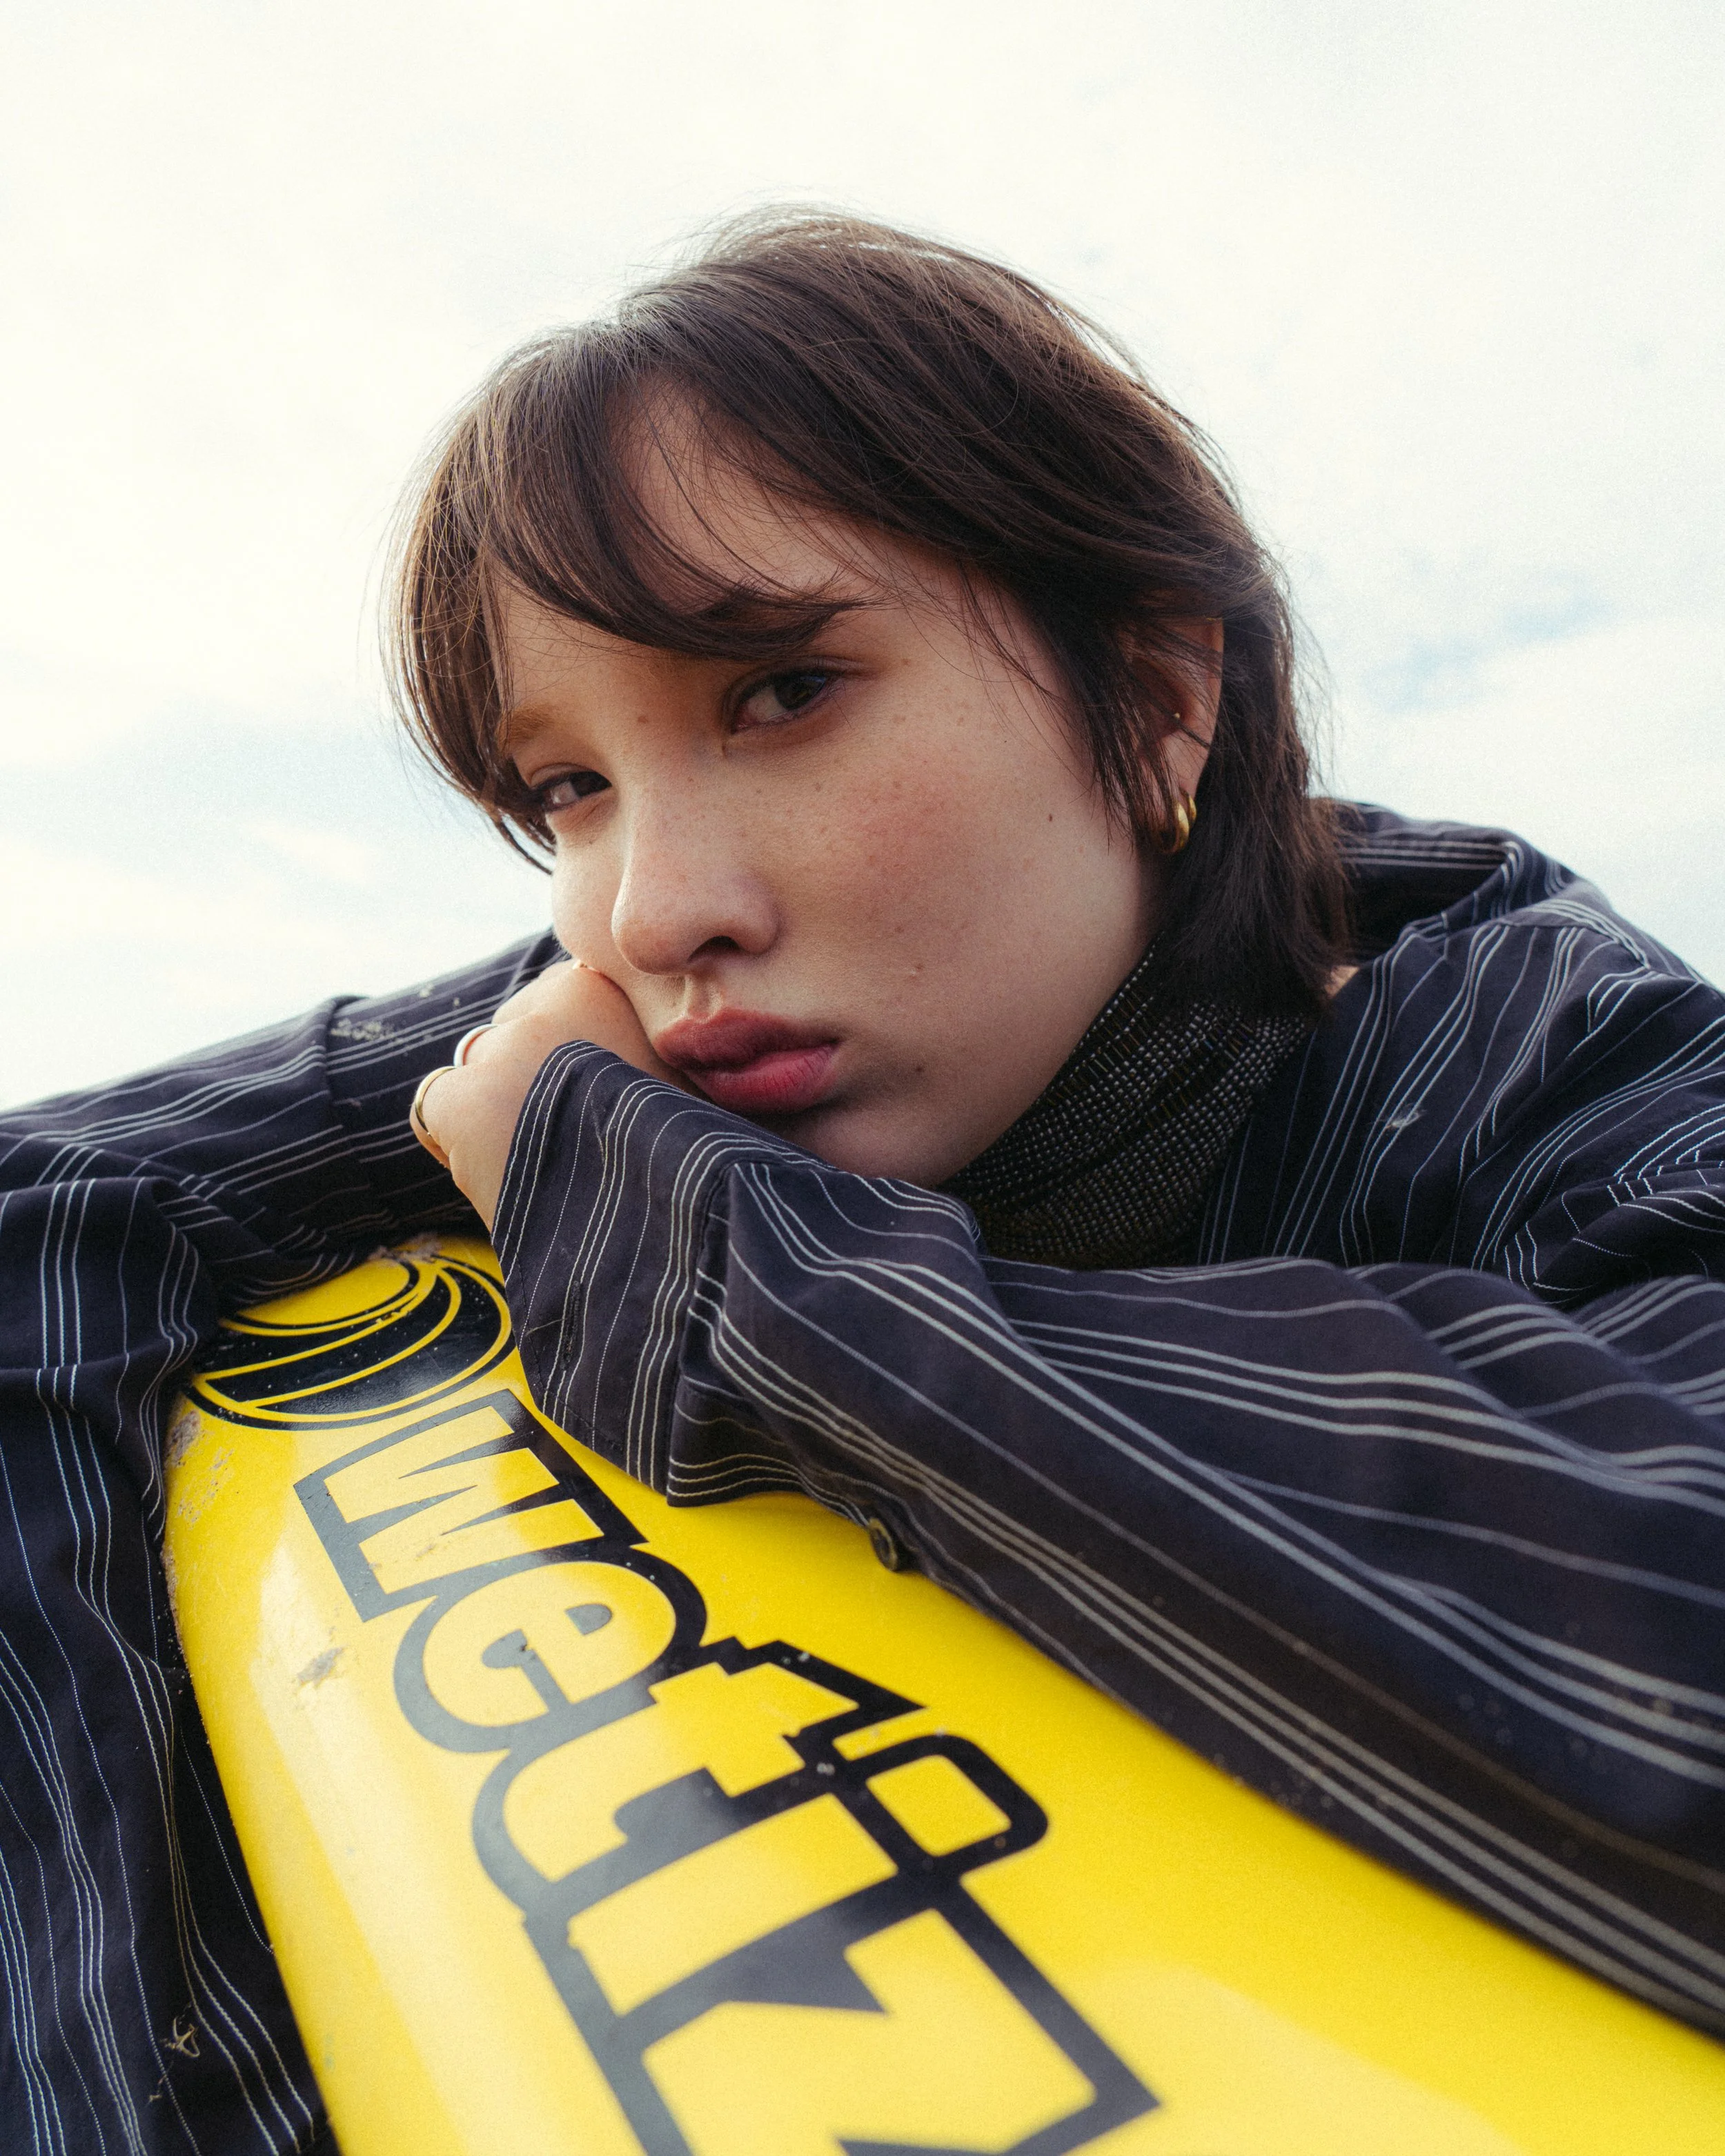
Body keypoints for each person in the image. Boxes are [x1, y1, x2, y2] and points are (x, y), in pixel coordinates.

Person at [2, 211, 1722, 2154]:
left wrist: (698, 1254)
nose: (656, 904)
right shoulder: (631, 1019)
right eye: (567, 785)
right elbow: (36, 1206)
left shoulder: (1552, 1059)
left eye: (777, 692)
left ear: (1161, 697)